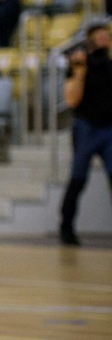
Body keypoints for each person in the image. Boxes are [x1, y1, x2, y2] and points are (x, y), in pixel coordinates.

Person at [59, 25, 112, 246]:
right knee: (78, 179)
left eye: (107, 37)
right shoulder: (80, 65)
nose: (104, 41)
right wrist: (80, 72)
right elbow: (72, 100)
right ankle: (66, 228)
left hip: (109, 129)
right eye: (100, 37)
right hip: (86, 127)